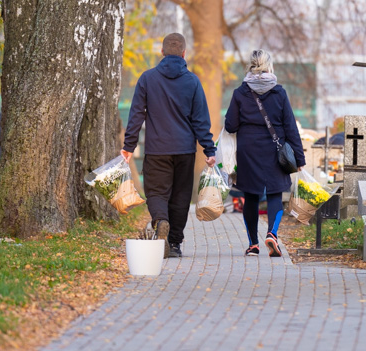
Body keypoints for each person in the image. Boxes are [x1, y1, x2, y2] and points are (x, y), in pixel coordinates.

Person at [120, 33, 216, 258]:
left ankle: (161, 220)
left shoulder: (147, 79)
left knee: (156, 192)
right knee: (181, 197)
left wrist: (129, 146)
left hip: (156, 149)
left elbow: (136, 115)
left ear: (162, 52)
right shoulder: (192, 81)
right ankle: (173, 244)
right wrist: (209, 150)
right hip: (185, 150)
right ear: (184, 53)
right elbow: (200, 120)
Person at [225, 50, 306, 257]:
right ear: (269, 67)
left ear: (250, 66)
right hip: (275, 151)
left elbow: (231, 126)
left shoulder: (239, 93)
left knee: (251, 196)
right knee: (274, 194)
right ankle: (272, 234)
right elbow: (290, 128)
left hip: (248, 151)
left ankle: (253, 245)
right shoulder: (279, 93)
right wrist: (299, 158)